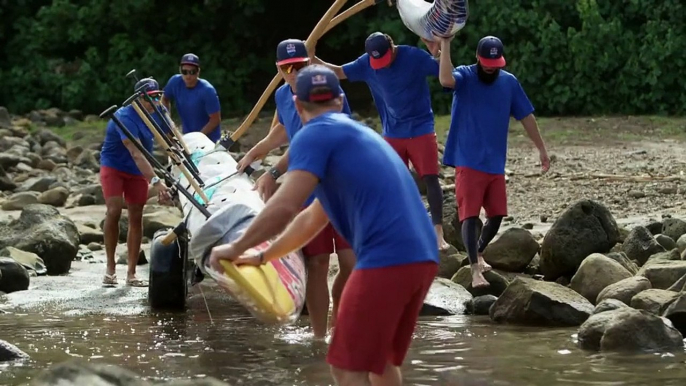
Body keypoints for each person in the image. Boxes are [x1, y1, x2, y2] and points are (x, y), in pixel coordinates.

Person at [210, 64, 439, 386]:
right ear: (340, 99)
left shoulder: (313, 134)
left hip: (386, 261)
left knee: (346, 368)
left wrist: (235, 247)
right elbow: (311, 218)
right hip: (423, 258)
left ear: (298, 106)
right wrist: (264, 256)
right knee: (380, 362)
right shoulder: (359, 135)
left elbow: (285, 206)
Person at [236, 39, 357, 340]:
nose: (294, 72)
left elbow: (310, 140)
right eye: (287, 68)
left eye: (300, 66)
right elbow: (284, 131)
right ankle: (319, 336)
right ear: (279, 69)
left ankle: (339, 326)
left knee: (351, 263)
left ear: (309, 63)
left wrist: (274, 172)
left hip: (338, 187)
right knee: (317, 264)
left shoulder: (329, 92)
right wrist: (252, 154)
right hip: (308, 193)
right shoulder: (281, 96)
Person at [312, 31, 450, 251]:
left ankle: (438, 234)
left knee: (431, 179)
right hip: (393, 132)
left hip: (421, 128)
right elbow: (337, 72)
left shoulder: (413, 57)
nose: (381, 65)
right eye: (377, 61)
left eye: (384, 59)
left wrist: (439, 52)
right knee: (395, 182)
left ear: (392, 47)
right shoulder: (367, 63)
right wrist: (312, 55)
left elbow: (446, 76)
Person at [436, 34, 550, 288]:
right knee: (469, 216)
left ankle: (476, 251)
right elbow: (445, 79)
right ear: (478, 57)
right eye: (486, 62)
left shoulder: (509, 83)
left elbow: (527, 116)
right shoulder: (465, 76)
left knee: (497, 215)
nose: (490, 67)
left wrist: (541, 149)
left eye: (495, 63)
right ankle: (476, 270)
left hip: (494, 162)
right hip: (468, 159)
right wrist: (445, 44)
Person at [99, 78, 172, 287]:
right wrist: (156, 181)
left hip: (136, 171)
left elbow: (170, 136)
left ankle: (131, 274)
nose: (155, 102)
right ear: (138, 99)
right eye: (151, 98)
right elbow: (137, 153)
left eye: (158, 96)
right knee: (113, 210)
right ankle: (110, 269)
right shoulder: (124, 117)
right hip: (115, 166)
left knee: (136, 213)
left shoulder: (157, 112)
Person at [161, 53, 222, 142]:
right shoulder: (175, 82)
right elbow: (164, 98)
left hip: (209, 140)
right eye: (184, 72)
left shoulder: (208, 90)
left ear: (198, 72)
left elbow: (215, 120)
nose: (188, 76)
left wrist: (198, 137)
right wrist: (168, 121)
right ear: (180, 70)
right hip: (187, 137)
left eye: (192, 72)